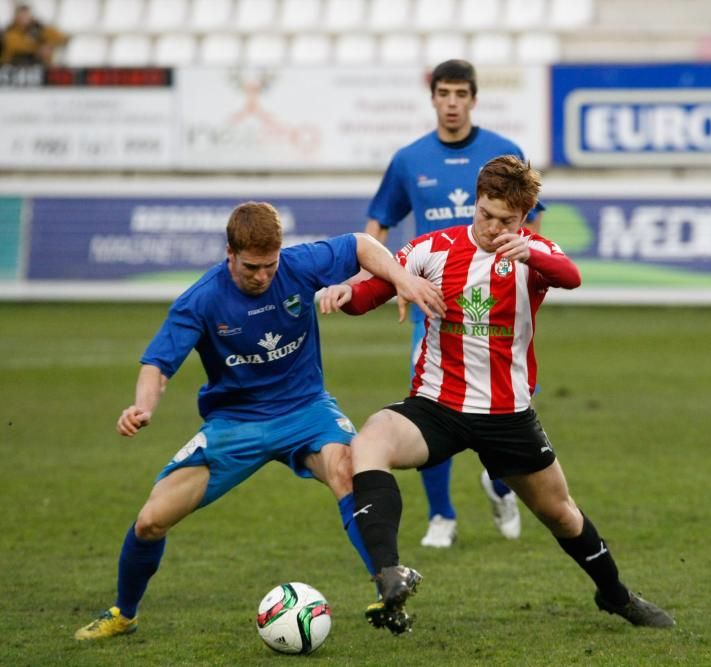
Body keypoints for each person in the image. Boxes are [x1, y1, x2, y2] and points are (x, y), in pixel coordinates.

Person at [325, 156, 675, 635]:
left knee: (561, 514)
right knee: (369, 442)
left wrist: (530, 252)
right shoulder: (433, 248)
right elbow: (369, 296)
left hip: (507, 414)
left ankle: (615, 596)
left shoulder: (532, 254)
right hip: (437, 406)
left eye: (505, 220)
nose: (492, 228)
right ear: (475, 202)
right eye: (484, 215)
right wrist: (344, 295)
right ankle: (389, 577)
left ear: (524, 216)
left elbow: (571, 276)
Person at [73, 202, 446, 641]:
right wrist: (143, 407)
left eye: (270, 266)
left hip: (307, 409)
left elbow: (362, 245)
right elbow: (157, 364)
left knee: (349, 468)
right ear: (229, 253)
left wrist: (401, 277)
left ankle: (387, 585)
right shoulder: (203, 298)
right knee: (151, 520)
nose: (263, 276)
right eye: (252, 267)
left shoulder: (297, 265)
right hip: (236, 424)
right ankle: (124, 613)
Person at [363, 59, 543, 549]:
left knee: (515, 402)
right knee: (430, 405)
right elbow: (378, 223)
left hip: (497, 309)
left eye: (460, 93)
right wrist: (370, 271)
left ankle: (500, 482)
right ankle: (441, 515)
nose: (451, 102)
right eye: (443, 92)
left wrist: (531, 282)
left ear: (473, 99)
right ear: (433, 98)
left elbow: (532, 229)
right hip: (436, 309)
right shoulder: (409, 160)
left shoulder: (504, 153)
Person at [0, 3, 67, 66]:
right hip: (13, 67)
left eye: (26, 15)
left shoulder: (40, 29)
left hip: (40, 67)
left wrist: (49, 46)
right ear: (16, 17)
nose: (23, 18)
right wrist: (37, 49)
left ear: (31, 16)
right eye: (21, 15)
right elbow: (14, 45)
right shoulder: (10, 31)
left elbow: (61, 38)